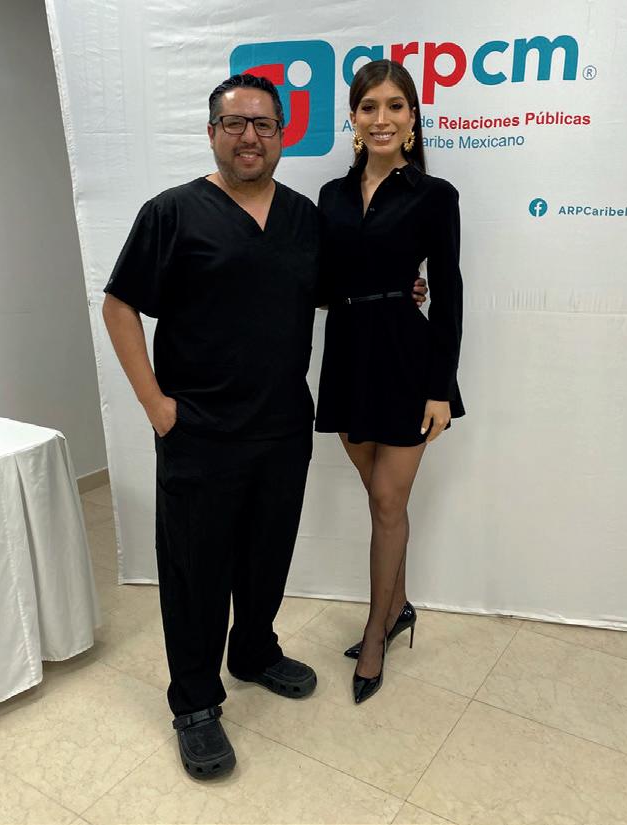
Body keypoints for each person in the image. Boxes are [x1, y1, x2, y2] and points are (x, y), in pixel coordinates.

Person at [103, 71, 429, 777]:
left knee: (265, 555)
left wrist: (400, 286)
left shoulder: (304, 218)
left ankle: (253, 650)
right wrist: (156, 405)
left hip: (282, 425)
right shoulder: (172, 213)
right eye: (234, 123)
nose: (249, 136)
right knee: (195, 571)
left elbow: (330, 292)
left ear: (282, 134)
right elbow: (119, 305)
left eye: (263, 124)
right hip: (199, 431)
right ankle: (195, 701)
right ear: (212, 133)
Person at [314, 59, 465, 704]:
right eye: (369, 106)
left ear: (412, 119)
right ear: (353, 117)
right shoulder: (331, 196)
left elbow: (450, 292)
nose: (382, 118)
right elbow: (320, 284)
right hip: (349, 355)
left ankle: (375, 631)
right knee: (382, 502)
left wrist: (441, 387)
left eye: (395, 106)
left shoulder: (435, 195)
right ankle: (398, 604)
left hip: (408, 360)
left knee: (386, 502)